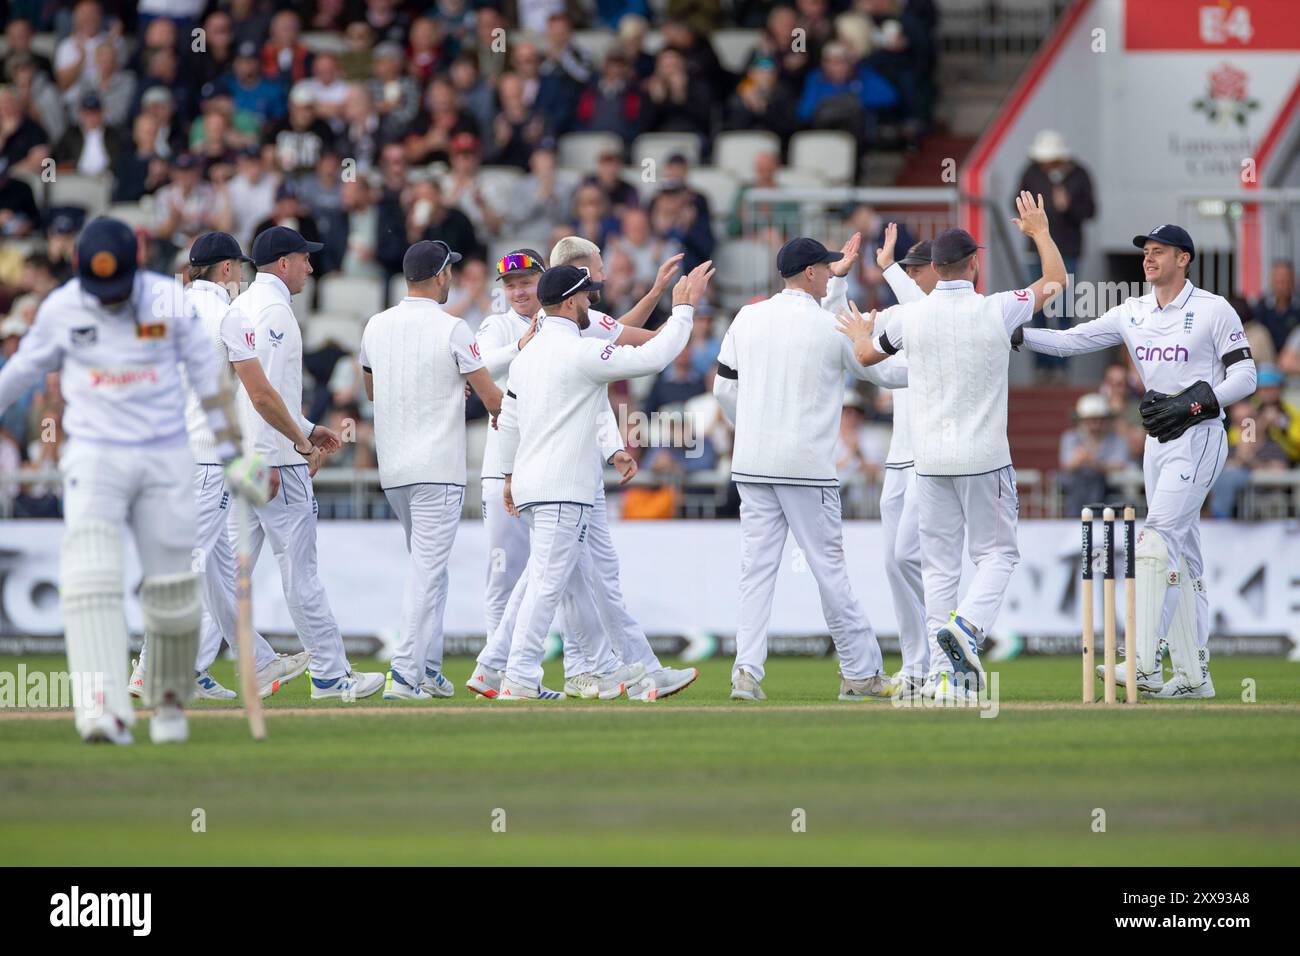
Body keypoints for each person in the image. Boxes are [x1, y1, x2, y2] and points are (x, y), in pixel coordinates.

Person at [0, 217, 272, 744]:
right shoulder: (63, 307)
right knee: (89, 577)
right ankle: (101, 711)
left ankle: (168, 700)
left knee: (171, 584)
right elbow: (18, 373)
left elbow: (209, 383)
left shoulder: (169, 301)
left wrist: (237, 455)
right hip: (95, 456)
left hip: (166, 456)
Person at [1016, 223, 1257, 699]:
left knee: (1154, 541)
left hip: (1201, 436)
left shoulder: (1212, 309)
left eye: (1159, 252)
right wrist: (1014, 334)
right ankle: (1193, 676)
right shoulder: (1133, 311)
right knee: (1183, 560)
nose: (1148, 259)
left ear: (1183, 259)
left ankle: (1143, 659)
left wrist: (1197, 402)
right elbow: (1070, 342)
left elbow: (1245, 375)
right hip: (1157, 441)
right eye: (1146, 252)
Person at [843, 194, 1067, 698]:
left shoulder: (910, 318)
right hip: (985, 458)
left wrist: (860, 331)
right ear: (973, 264)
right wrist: (1040, 232)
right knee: (998, 556)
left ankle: (948, 678)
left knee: (938, 567)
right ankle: (966, 631)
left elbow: (864, 355)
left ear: (936, 270)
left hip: (930, 461)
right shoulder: (997, 309)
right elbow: (1056, 282)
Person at [494, 261, 713, 699]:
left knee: (572, 582)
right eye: (587, 297)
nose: (590, 304)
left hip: (534, 485)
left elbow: (508, 423)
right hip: (562, 488)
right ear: (572, 301)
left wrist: (508, 478)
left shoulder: (528, 356)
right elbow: (653, 357)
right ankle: (518, 676)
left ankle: (611, 669)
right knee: (547, 584)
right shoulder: (580, 351)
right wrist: (684, 310)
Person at [714, 235, 906, 702]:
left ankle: (746, 674)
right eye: (826, 268)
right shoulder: (827, 327)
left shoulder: (748, 316)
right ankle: (861, 673)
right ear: (811, 273)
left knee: (755, 572)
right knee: (829, 572)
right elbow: (880, 373)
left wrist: (757, 425)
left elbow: (723, 391)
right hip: (807, 468)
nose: (829, 274)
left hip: (753, 464)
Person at [128, 231, 314, 704]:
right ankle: (150, 668)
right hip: (208, 459)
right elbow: (260, 393)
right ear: (228, 270)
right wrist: (301, 438)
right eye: (239, 268)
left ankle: (260, 661)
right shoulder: (229, 316)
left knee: (215, 572)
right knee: (192, 566)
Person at [232, 225, 385, 701]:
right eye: (304, 259)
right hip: (272, 462)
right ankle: (330, 674)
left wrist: (303, 424)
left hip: (245, 459)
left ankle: (170, 667)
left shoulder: (243, 306)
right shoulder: (275, 311)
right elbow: (262, 396)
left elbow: (257, 394)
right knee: (300, 572)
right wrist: (293, 447)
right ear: (282, 263)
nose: (311, 267)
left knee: (226, 573)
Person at [360, 240, 502, 700]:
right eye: (451, 273)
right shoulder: (454, 327)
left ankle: (428, 668)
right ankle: (403, 675)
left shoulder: (376, 325)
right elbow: (492, 398)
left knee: (431, 571)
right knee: (426, 572)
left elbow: (372, 391)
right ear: (441, 276)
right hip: (437, 468)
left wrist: (439, 385)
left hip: (395, 468)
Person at [1016, 130, 1096, 378]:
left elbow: (1091, 211)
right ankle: (1042, 368)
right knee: (1036, 307)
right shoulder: (1031, 172)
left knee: (1061, 307)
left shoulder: (1080, 174)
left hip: (1068, 250)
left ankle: (1062, 368)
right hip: (1036, 251)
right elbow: (1015, 201)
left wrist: (1068, 206)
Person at [1058, 392, 1133, 517]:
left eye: (1101, 419)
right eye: (1091, 420)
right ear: (1081, 421)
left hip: (1110, 492)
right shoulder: (1070, 438)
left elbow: (1120, 464)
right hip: (1077, 492)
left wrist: (1093, 463)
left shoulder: (1118, 440)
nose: (1096, 424)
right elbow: (1067, 464)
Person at [1252, 260, 1299, 355]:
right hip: (1267, 359)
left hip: (1293, 359)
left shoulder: (1297, 306)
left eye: (1285, 280)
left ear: (1293, 281)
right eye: (1279, 281)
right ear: (1272, 281)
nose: (1282, 285)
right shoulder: (1262, 306)